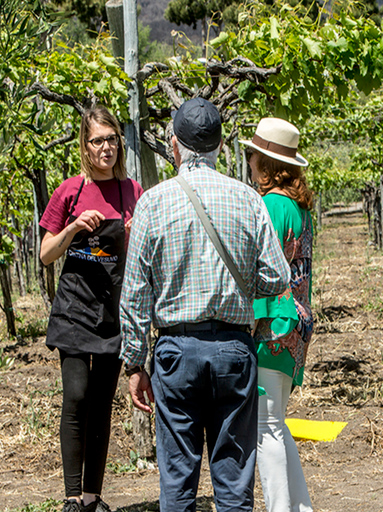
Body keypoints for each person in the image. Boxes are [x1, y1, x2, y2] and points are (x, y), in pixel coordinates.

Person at [119, 97, 291, 512]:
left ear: (174, 146)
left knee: (177, 480)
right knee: (234, 481)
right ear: (218, 147)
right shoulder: (247, 199)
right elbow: (277, 276)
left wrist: (135, 363)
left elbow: (135, 295)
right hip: (234, 349)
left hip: (176, 353)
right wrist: (239, 289)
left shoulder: (152, 202)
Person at [39, 106, 144, 512]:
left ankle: (91, 496)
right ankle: (69, 496)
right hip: (74, 308)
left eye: (112, 138)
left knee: (102, 403)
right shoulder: (70, 191)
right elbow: (46, 255)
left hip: (112, 313)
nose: (106, 147)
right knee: (77, 396)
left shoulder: (131, 191)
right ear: (85, 146)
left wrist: (134, 234)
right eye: (98, 140)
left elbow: (137, 258)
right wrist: (73, 226)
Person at [241, 118, 315, 512]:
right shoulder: (299, 209)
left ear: (266, 164)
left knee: (264, 429)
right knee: (277, 424)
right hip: (295, 326)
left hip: (272, 325)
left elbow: (258, 266)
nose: (248, 161)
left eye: (252, 155)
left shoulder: (271, 204)